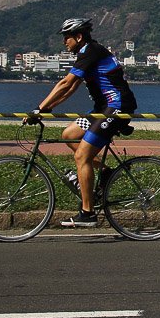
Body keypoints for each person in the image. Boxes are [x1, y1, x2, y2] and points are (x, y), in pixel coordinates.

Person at [27, 18, 137, 227]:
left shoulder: (91, 51)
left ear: (78, 37)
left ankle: (88, 213)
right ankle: (106, 171)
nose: (64, 42)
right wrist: (48, 108)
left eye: (66, 37)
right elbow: (70, 88)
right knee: (69, 135)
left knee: (81, 155)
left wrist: (38, 109)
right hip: (101, 109)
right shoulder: (85, 54)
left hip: (116, 107)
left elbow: (65, 82)